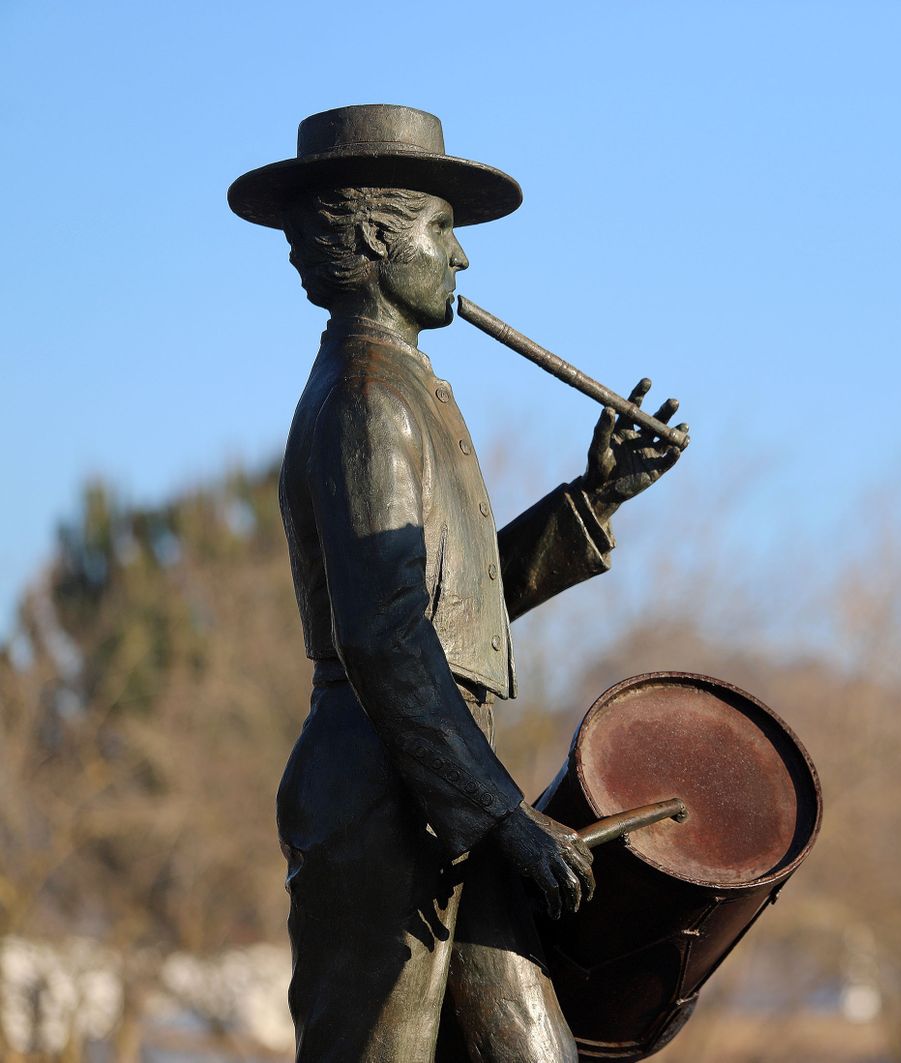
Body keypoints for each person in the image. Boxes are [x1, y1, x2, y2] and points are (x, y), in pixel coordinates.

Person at [229, 104, 687, 1061]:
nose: (461, 259)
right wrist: (504, 817)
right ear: (374, 238)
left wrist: (591, 500)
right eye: (443, 231)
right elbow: (387, 637)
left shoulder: (403, 389)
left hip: (446, 787)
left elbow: (444, 615)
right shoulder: (365, 399)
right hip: (380, 795)